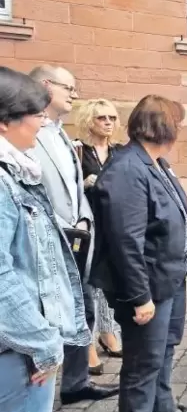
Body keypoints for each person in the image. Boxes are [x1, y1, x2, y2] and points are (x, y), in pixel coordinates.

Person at [90, 95, 187, 412]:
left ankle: (163, 407)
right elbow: (126, 242)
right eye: (178, 124)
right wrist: (140, 297)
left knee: (166, 347)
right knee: (141, 363)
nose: (181, 130)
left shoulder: (154, 161)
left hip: (170, 276)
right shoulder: (126, 170)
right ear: (164, 127)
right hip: (147, 286)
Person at [0, 67, 90, 412]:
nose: (42, 121)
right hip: (17, 348)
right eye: (33, 114)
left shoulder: (16, 169)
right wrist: (44, 343)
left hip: (19, 341)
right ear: (5, 121)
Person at [27, 65, 118, 405]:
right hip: (48, 241)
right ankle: (34, 395)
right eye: (69, 87)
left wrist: (83, 218)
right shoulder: (28, 130)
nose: (74, 94)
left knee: (82, 307)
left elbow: (70, 185)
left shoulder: (59, 133)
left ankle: (76, 383)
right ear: (46, 85)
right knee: (49, 315)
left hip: (79, 237)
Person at [74, 98, 123, 373]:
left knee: (109, 280)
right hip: (89, 226)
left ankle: (108, 332)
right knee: (87, 283)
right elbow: (68, 190)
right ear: (89, 121)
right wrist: (85, 183)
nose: (108, 122)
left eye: (112, 118)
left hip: (114, 225)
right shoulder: (79, 151)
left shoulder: (119, 152)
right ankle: (88, 343)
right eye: (101, 117)